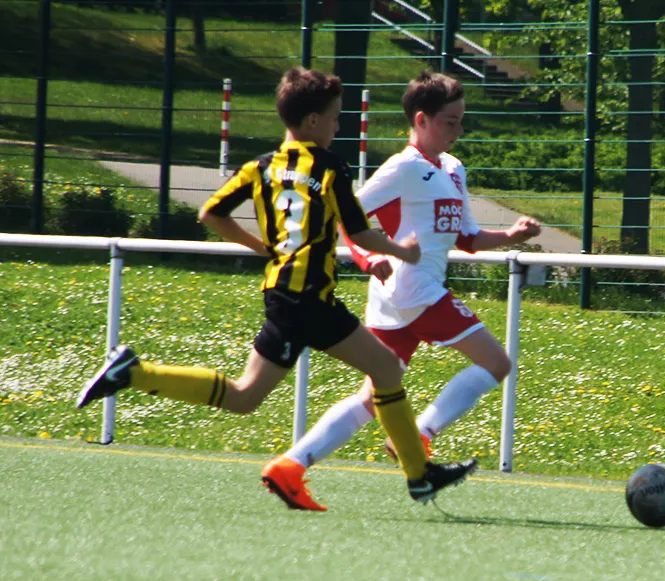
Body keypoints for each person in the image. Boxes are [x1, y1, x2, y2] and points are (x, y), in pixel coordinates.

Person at [75, 66, 477, 509]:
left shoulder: (260, 167)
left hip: (281, 295)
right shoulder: (330, 168)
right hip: (312, 299)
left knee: (245, 396)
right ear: (313, 121)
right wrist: (403, 251)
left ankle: (134, 373)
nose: (337, 127)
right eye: (335, 118)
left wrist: (263, 248)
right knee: (386, 369)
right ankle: (419, 474)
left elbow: (210, 214)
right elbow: (360, 232)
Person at [267, 71, 540, 485]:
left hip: (396, 297)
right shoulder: (403, 167)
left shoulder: (453, 169)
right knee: (497, 362)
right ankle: (419, 436)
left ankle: (291, 466)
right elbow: (344, 214)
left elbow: (466, 237)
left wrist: (510, 236)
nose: (458, 131)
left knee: (372, 397)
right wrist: (367, 258)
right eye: (450, 122)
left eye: (461, 121)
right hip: (415, 289)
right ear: (421, 120)